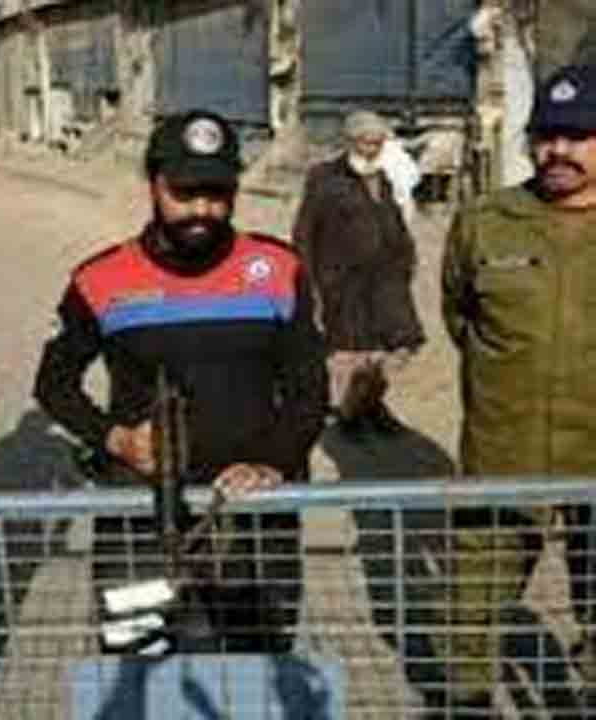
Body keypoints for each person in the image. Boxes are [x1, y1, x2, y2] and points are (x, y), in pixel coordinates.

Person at [33, 109, 327, 654]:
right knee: (137, 667)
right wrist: (115, 439)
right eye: (185, 192)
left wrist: (273, 462)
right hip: (136, 523)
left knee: (254, 677)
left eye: (217, 193)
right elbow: (54, 386)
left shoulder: (278, 268)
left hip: (251, 523)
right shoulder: (101, 279)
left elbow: (309, 388)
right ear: (153, 184)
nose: (202, 209)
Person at [441, 63, 596, 716]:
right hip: (504, 453)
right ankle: (469, 705)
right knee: (472, 606)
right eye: (546, 135)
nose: (557, 150)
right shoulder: (486, 220)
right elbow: (461, 318)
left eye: (578, 136)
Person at [293, 109, 425, 437]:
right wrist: (309, 281)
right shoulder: (324, 178)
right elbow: (305, 232)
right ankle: (350, 413)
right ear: (351, 141)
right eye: (366, 142)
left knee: (388, 349)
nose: (372, 149)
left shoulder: (383, 177)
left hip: (386, 282)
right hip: (343, 282)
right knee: (350, 352)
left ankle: (372, 406)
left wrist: (407, 257)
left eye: (378, 143)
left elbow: (393, 221)